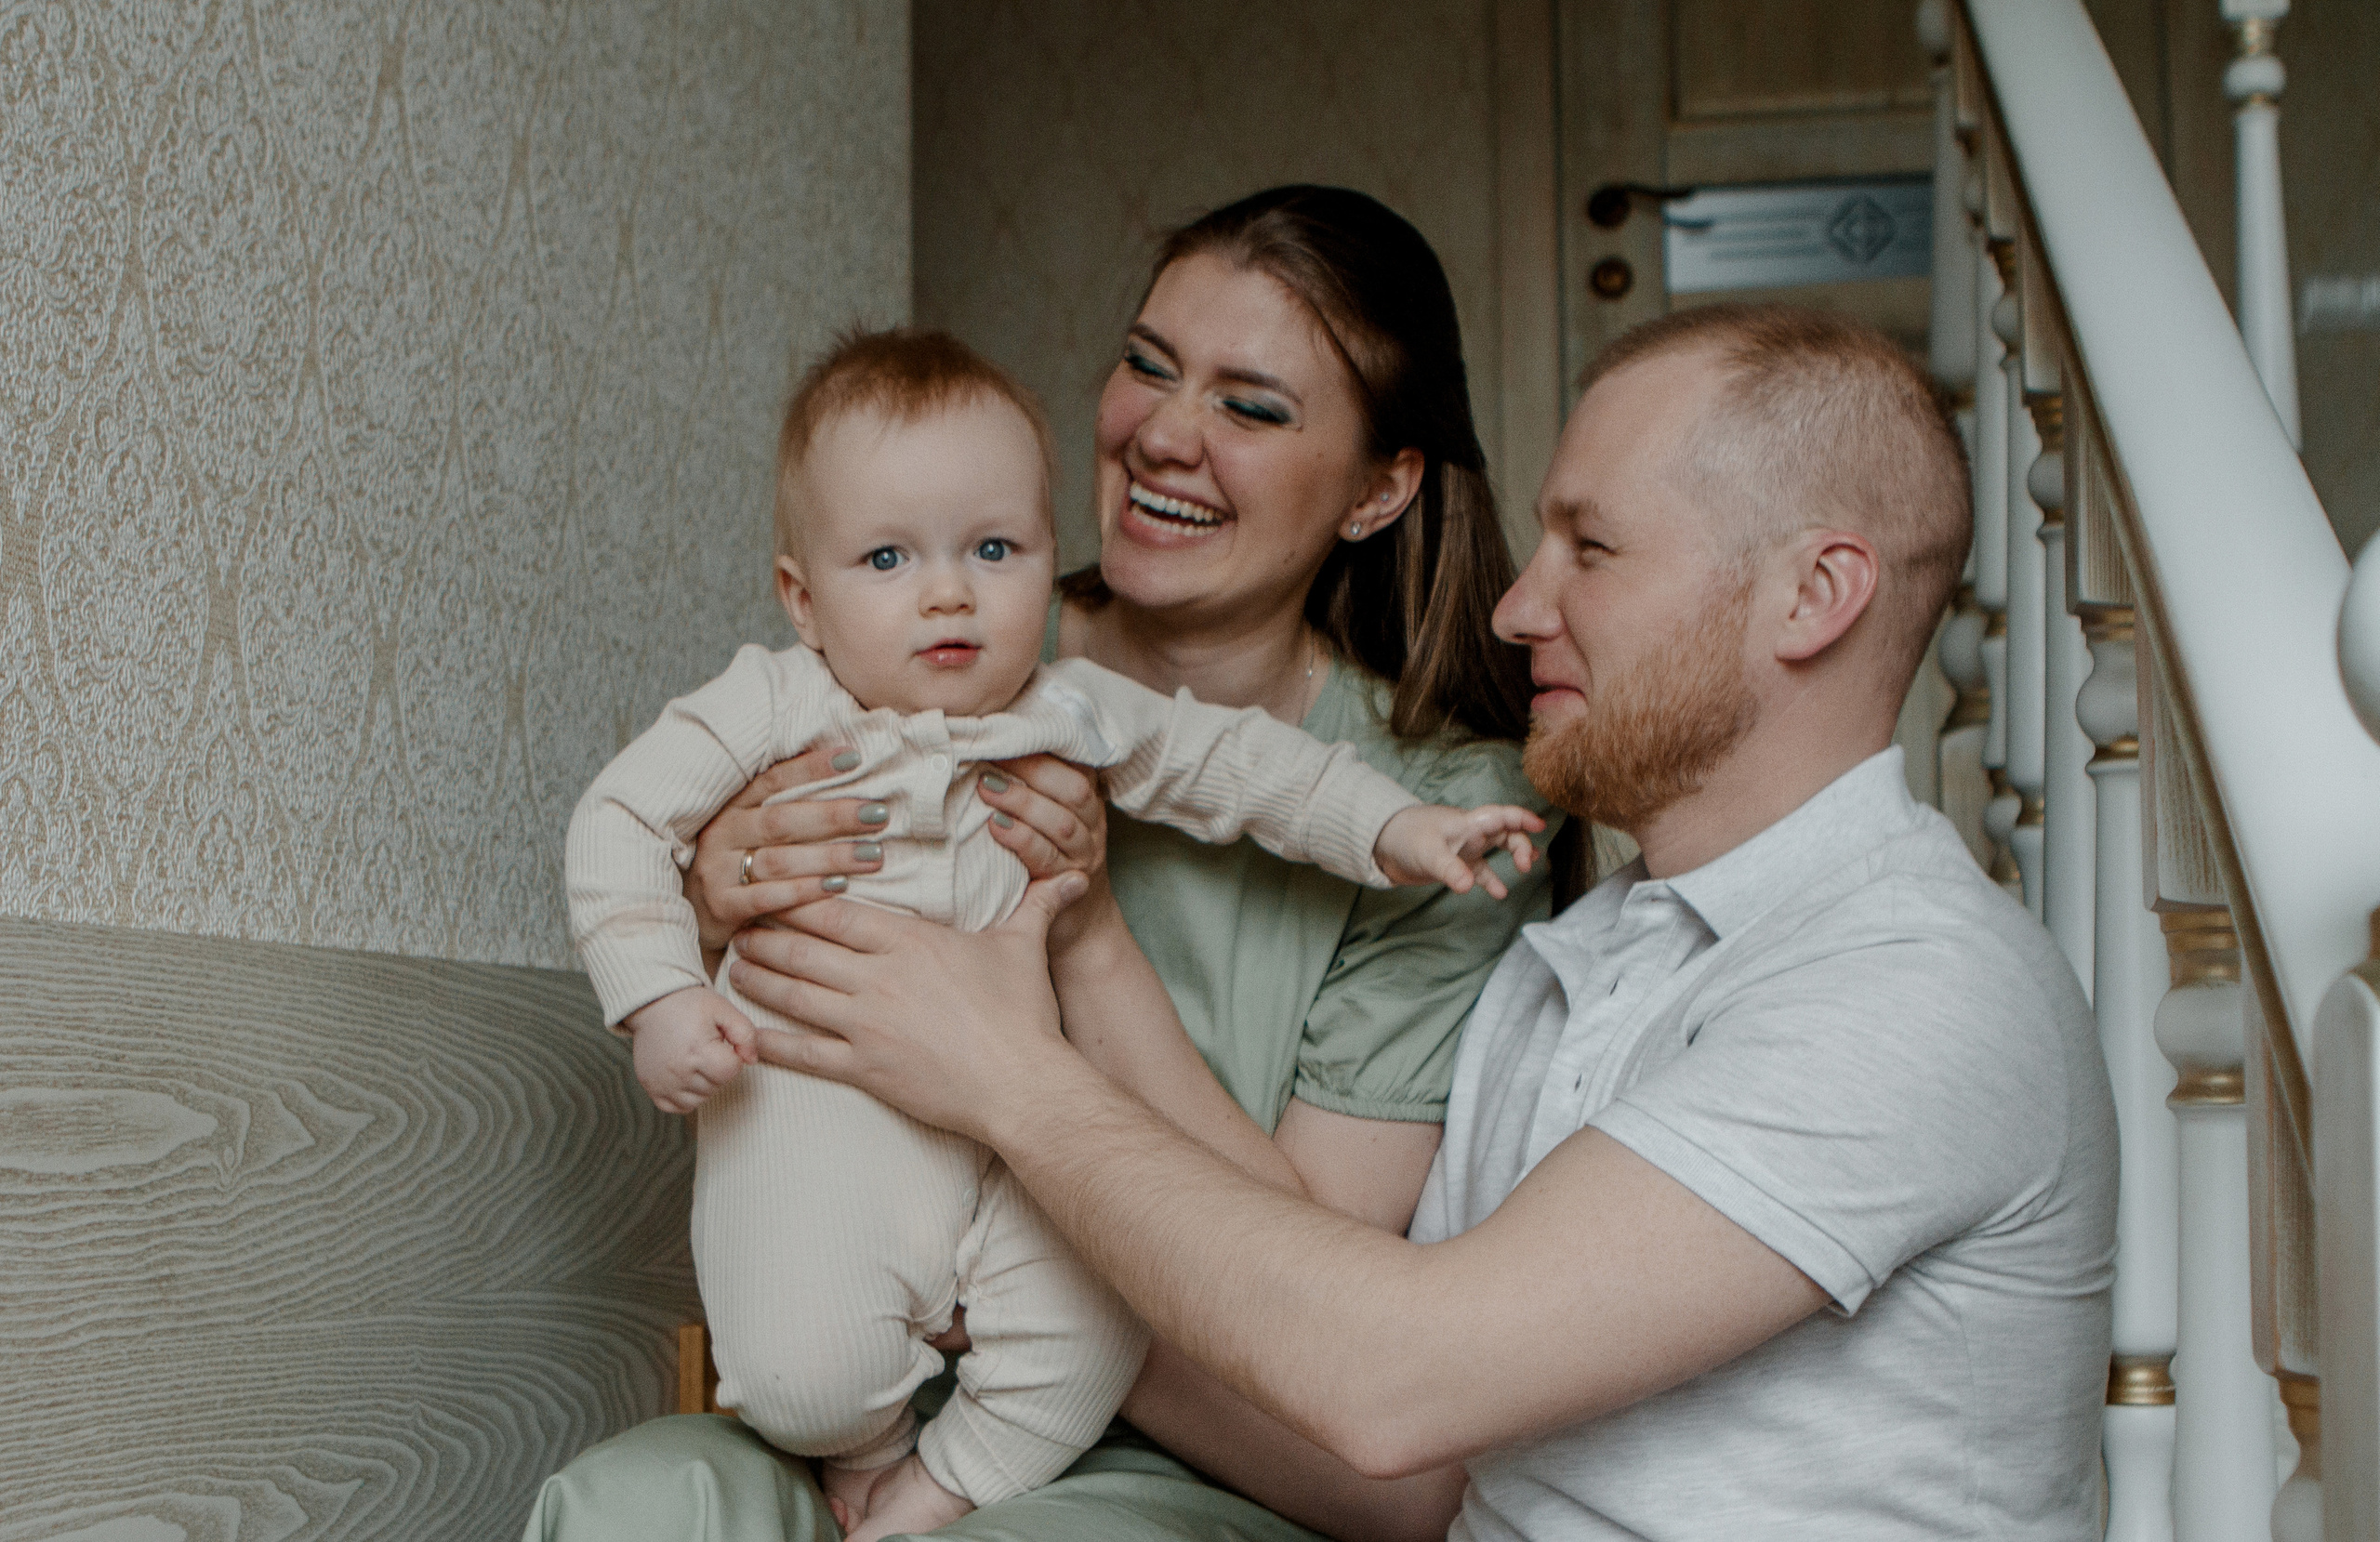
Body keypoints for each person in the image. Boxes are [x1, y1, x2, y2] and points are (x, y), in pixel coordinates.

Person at [734, 303, 2122, 1539]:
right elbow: (1398, 1476)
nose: (1520, 607)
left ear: (1815, 596)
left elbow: (1392, 1382)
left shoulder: (1910, 990)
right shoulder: (1584, 961)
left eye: (1594, 547)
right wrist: (980, 1248)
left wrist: (999, 1081)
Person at [524, 187, 1561, 1542]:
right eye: (1146, 365)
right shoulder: (922, 640)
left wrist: (1082, 930)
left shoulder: (1426, 798)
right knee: (633, 1507)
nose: (1167, 435)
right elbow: (677, 820)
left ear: (1381, 488)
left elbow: (1332, 1325)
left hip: (1199, 1423)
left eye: (1252, 407)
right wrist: (716, 887)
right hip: (855, 1331)